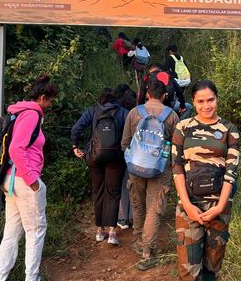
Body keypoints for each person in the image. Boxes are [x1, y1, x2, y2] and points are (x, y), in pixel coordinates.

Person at [168, 80, 240, 281]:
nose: (207, 106)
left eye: (210, 100)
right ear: (193, 103)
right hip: (188, 211)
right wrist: (187, 205)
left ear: (217, 99)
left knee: (211, 267)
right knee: (189, 271)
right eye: (200, 101)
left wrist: (220, 207)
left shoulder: (229, 130)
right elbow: (175, 169)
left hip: (218, 210)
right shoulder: (182, 128)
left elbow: (232, 171)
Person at [0, 75, 58, 281]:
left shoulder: (18, 112)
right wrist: (33, 180)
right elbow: (17, 148)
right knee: (36, 230)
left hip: (10, 179)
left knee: (12, 232)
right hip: (24, 180)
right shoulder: (31, 115)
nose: (50, 106)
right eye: (49, 101)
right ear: (41, 98)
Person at [121, 77, 179, 270]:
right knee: (154, 208)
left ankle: (138, 241)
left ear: (147, 94)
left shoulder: (134, 113)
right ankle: (148, 251)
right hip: (159, 170)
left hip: (136, 168)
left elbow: (125, 143)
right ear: (164, 95)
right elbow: (176, 147)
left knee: (138, 205)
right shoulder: (171, 116)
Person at [71, 88, 128, 245]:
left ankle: (99, 230)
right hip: (116, 157)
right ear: (115, 99)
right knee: (113, 192)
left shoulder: (92, 111)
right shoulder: (123, 112)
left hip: (95, 157)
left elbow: (77, 128)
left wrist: (76, 146)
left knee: (98, 191)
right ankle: (112, 232)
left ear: (100, 99)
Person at [115, 84, 137, 230]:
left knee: (120, 187)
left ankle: (121, 218)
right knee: (131, 185)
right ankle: (132, 217)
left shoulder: (115, 112)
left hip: (113, 154)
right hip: (130, 155)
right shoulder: (132, 114)